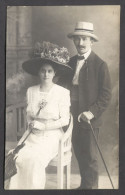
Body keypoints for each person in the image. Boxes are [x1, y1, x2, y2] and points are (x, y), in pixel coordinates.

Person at [8, 41, 72, 189]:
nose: (46, 74)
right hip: (32, 135)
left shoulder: (62, 93)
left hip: (52, 137)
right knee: (18, 157)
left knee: (35, 160)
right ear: (38, 72)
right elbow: (29, 115)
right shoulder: (31, 90)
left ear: (55, 73)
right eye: (43, 70)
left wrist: (43, 126)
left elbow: (64, 120)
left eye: (49, 71)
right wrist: (32, 124)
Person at [67, 22, 112, 189]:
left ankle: (91, 188)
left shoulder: (100, 65)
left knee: (90, 156)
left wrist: (91, 112)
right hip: (71, 114)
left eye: (84, 39)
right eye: (77, 39)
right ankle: (85, 185)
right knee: (79, 152)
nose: (80, 43)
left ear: (91, 41)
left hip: (89, 116)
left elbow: (106, 95)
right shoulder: (70, 62)